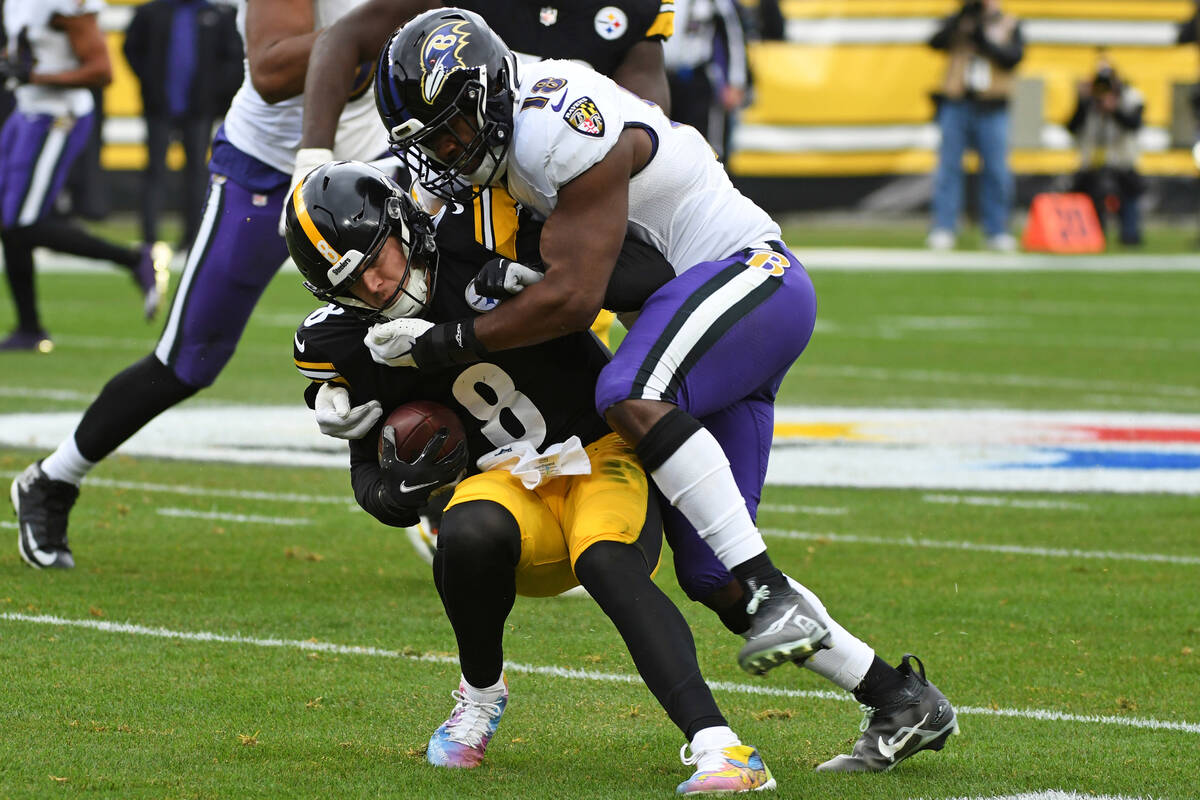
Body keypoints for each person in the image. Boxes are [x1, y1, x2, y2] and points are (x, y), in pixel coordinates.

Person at [358, 7, 959, 773]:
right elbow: (636, 272)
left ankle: (772, 586)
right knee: (712, 573)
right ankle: (900, 700)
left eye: (447, 131)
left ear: (484, 100)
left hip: (752, 278)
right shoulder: (514, 142)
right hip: (701, 318)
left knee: (630, 391)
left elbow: (578, 300)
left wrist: (445, 341)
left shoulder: (554, 125)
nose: (445, 152)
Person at [284, 159, 775, 793]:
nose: (377, 285)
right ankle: (480, 695)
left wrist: (544, 280)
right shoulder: (346, 344)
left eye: (377, 257)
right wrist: (397, 489)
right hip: (510, 481)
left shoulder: (485, 238)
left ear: (405, 223)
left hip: (602, 454)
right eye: (351, 281)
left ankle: (721, 745)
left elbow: (651, 273)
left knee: (606, 562)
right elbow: (371, 485)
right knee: (465, 529)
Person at [9, 0, 391, 567]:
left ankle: (441, 493)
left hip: (375, 162)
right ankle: (52, 479)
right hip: (265, 170)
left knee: (418, 323)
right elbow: (271, 73)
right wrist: (378, 24)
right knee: (189, 357)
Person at [0, 0, 172, 352]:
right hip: (27, 111)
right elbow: (28, 49)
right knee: (9, 221)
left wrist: (34, 76)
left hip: (58, 116)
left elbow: (101, 71)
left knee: (22, 223)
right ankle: (29, 328)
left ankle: (135, 259)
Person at [123, 0, 243, 251]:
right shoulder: (151, 12)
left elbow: (232, 58)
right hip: (159, 106)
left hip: (199, 109)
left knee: (197, 173)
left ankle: (193, 237)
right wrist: (150, 83)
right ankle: (149, 238)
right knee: (156, 170)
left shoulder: (215, 14)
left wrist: (212, 93)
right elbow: (131, 49)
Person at [926, 0, 1024, 253]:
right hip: (957, 103)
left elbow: (1013, 57)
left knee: (996, 170)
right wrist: (960, 19)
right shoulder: (961, 20)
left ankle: (997, 229)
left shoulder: (1008, 23)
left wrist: (984, 39)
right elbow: (934, 42)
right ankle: (944, 227)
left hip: (993, 106)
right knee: (948, 167)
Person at [1067, 59, 1145, 247]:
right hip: (1093, 165)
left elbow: (1135, 124)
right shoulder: (1089, 101)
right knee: (1087, 189)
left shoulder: (1131, 97)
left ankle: (1129, 232)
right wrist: (1083, 102)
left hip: (1122, 163)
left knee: (1131, 189)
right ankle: (1093, 232)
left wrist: (1115, 109)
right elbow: (1071, 126)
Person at [664, 0, 749, 160]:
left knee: (703, 145)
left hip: (694, 78)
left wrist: (736, 81)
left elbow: (732, 34)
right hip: (657, 78)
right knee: (662, 143)